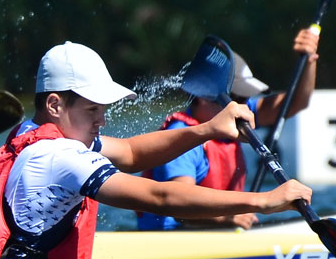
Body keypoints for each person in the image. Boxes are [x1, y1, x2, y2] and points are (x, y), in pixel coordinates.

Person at [0, 42, 312, 259]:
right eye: (93, 110)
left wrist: (206, 129)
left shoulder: (40, 134)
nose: (102, 120)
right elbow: (160, 198)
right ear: (55, 106)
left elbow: (132, 154)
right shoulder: (57, 155)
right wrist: (263, 202)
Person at [137, 27, 320, 230]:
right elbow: (178, 206)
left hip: (218, 234)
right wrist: (226, 219)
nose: (244, 105)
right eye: (238, 98)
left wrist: (309, 60)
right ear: (204, 95)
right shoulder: (181, 137)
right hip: (173, 241)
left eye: (246, 98)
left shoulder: (234, 114)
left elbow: (295, 102)